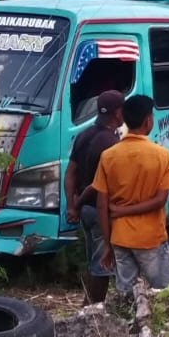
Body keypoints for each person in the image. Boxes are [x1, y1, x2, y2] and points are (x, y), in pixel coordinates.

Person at [92, 94, 169, 292]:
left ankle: (127, 323)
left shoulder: (108, 156)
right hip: (151, 237)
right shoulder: (162, 155)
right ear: (148, 121)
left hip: (120, 237)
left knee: (126, 295)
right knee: (166, 293)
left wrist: (107, 244)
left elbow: (101, 205)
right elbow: (159, 201)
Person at [63, 90, 125, 305]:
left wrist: (72, 205)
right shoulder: (112, 143)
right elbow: (98, 184)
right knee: (103, 267)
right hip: (100, 211)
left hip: (86, 212)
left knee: (94, 264)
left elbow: (70, 173)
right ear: (118, 113)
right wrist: (77, 204)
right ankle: (92, 314)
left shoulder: (84, 134)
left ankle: (87, 307)